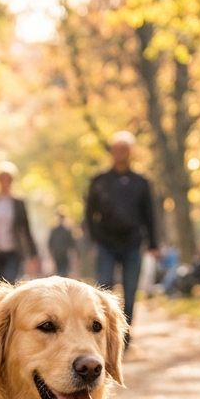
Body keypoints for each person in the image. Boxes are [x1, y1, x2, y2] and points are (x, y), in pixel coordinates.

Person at [84, 131, 158, 345]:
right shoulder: (99, 181)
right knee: (103, 290)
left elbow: (149, 214)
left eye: (124, 149)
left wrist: (153, 243)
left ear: (130, 152)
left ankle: (124, 333)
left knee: (130, 289)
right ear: (111, 152)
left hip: (132, 244)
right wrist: (94, 237)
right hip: (106, 243)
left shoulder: (141, 182)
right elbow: (89, 214)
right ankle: (104, 333)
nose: (120, 153)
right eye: (116, 149)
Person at [48, 208, 77, 278]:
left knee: (62, 270)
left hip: (63, 253)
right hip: (59, 253)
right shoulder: (58, 230)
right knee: (62, 270)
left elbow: (72, 243)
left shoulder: (64, 230)